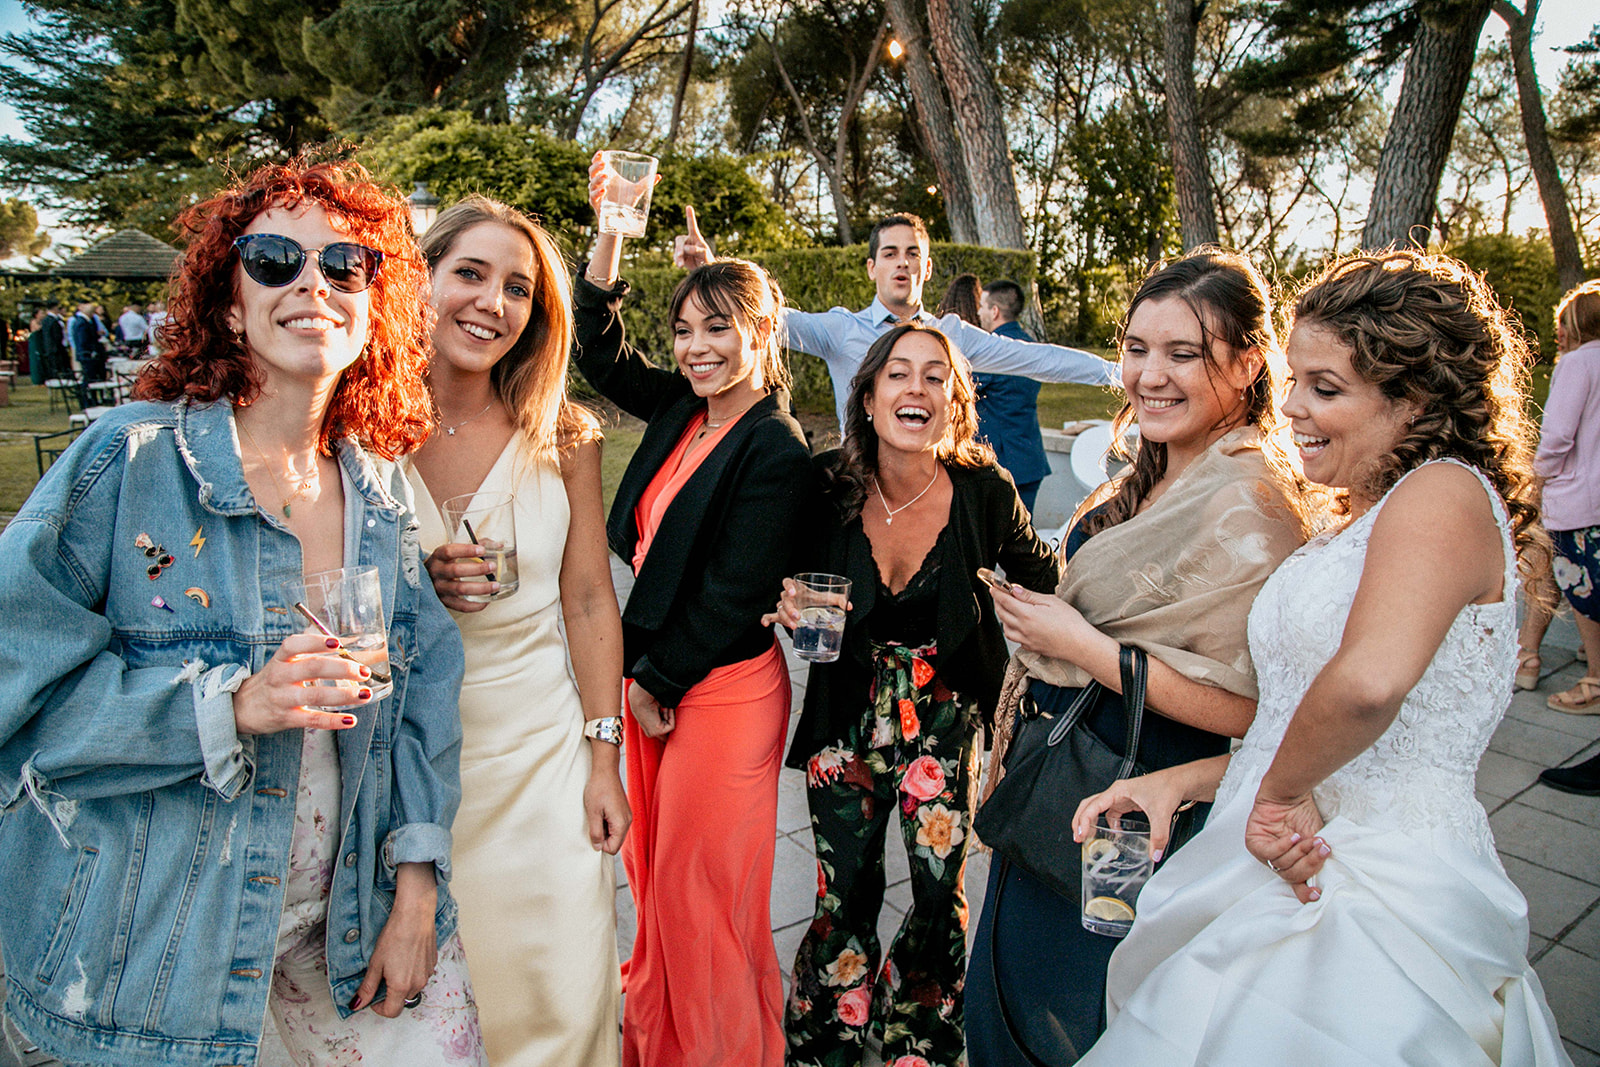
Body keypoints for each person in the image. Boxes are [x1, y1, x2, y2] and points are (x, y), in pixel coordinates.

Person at [0, 160, 485, 1067]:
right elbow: (16, 681)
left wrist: (416, 885)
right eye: (273, 260)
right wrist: (228, 707)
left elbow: (419, 693)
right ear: (229, 304)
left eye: (346, 265)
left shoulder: (375, 486)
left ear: (373, 305)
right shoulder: (129, 461)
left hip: (345, 923)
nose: (314, 283)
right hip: (159, 948)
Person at [1071, 250, 1570, 1066]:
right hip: (1283, 843)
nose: (1293, 406)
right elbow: (1294, 712)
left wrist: (1275, 799)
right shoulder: (1358, 514)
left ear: (1414, 401)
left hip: (1365, 887)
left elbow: (1369, 684)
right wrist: (1191, 781)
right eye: (1296, 379)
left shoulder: (1443, 493)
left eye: (1326, 388)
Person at [963, 249, 1308, 1065]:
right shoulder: (1141, 476)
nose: (1149, 375)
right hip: (1056, 777)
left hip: (1142, 798)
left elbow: (1257, 717)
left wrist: (1081, 645)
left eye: (1182, 353)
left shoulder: (1255, 507)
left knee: (1078, 1021)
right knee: (1001, 1004)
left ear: (1249, 362)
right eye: (1137, 348)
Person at [577, 153, 816, 1067]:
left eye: (718, 329)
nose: (695, 348)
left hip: (715, 690)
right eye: (683, 329)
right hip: (651, 677)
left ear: (763, 332)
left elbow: (736, 592)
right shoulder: (687, 407)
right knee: (653, 882)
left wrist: (655, 680)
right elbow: (598, 350)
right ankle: (663, 1044)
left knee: (698, 895)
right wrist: (610, 227)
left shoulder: (776, 446)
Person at [774, 322, 1060, 1067]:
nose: (917, 388)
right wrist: (791, 602)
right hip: (848, 706)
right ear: (868, 397)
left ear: (955, 403)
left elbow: (1045, 577)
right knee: (845, 891)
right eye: (898, 373)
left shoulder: (983, 490)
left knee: (937, 891)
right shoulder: (830, 482)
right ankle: (830, 1029)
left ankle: (918, 1033)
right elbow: (789, 575)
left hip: (947, 715)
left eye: (937, 377)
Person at [402, 195, 629, 1065]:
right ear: (421, 280)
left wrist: (601, 756)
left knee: (561, 991)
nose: (492, 302)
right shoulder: (362, 431)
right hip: (412, 763)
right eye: (469, 273)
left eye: (518, 289)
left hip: (542, 758)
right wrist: (412, 585)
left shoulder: (564, 436)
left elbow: (587, 602)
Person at [678, 209, 1119, 432]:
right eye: (890, 254)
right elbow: (764, 316)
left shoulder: (950, 336)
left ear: (926, 269)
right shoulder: (840, 331)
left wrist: (1118, 373)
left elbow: (1037, 359)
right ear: (872, 268)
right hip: (856, 483)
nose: (901, 264)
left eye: (913, 254)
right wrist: (710, 268)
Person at [1535, 280, 1600, 794]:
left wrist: (1538, 475)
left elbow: (1558, 433)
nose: (1558, 333)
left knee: (1583, 591)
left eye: (1563, 323)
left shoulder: (1578, 365)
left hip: (1578, 498)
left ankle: (1595, 680)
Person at [976, 279, 1051, 516]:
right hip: (1030, 458)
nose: (978, 312)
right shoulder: (1032, 346)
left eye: (981, 306)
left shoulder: (993, 351)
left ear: (995, 311)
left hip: (1000, 461)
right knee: (1023, 537)